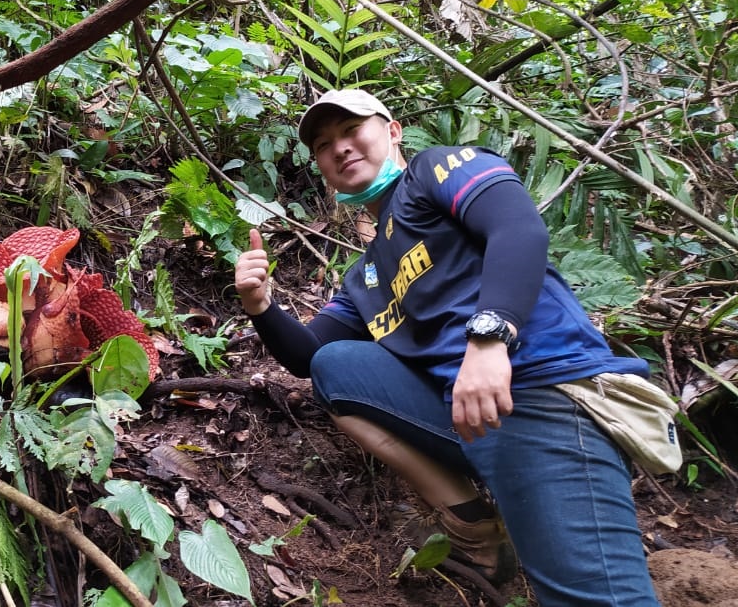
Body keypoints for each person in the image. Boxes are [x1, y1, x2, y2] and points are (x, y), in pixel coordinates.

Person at [234, 89, 661, 605]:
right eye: (324, 144)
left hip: (537, 388)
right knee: (337, 365)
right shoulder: (366, 274)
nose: (340, 148)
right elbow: (308, 356)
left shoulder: (435, 171)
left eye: (352, 130)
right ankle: (471, 522)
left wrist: (489, 340)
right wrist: (260, 305)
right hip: (468, 413)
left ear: (392, 130)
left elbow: (516, 227)